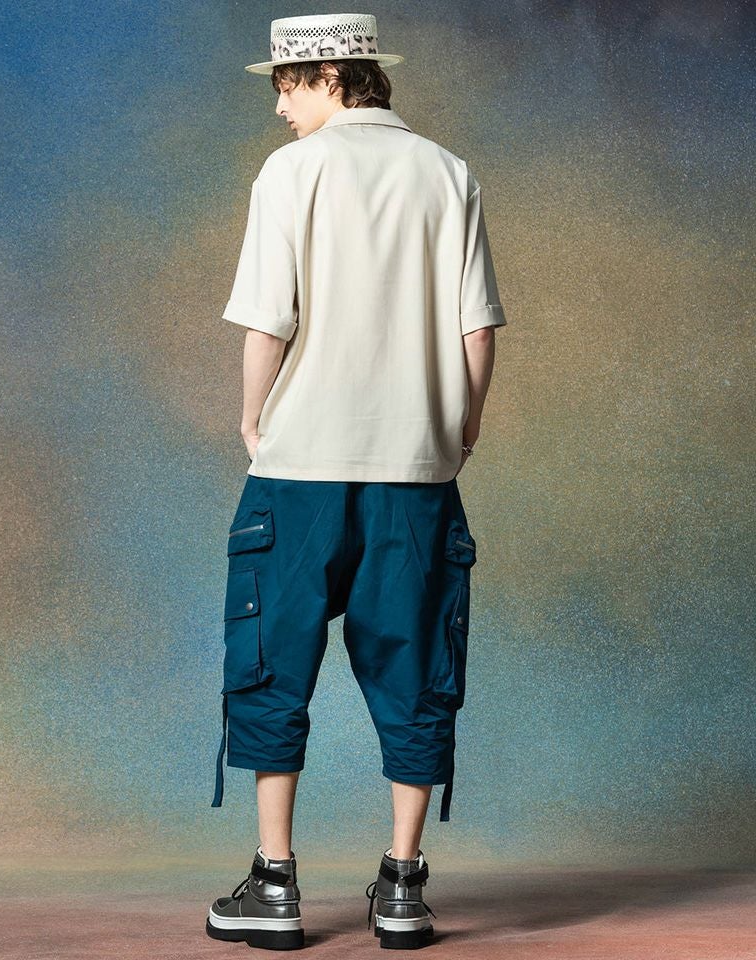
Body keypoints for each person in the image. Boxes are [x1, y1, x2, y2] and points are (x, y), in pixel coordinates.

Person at [206, 12, 507, 952]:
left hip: (299, 468)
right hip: (415, 472)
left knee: (272, 663)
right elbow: (478, 328)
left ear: (331, 77)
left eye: (286, 87)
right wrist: (462, 427)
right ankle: (403, 888)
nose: (280, 108)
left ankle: (275, 885)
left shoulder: (291, 173)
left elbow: (268, 321)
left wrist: (253, 419)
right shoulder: (448, 173)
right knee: (415, 667)